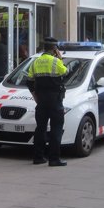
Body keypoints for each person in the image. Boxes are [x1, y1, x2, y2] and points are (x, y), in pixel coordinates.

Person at [26, 37, 68, 167]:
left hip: (41, 100)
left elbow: (29, 81)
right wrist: (60, 59)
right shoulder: (56, 61)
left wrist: (35, 97)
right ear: (55, 49)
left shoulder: (36, 62)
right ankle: (54, 159)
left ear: (44, 48)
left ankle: (38, 157)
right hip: (55, 100)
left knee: (40, 128)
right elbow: (66, 72)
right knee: (56, 128)